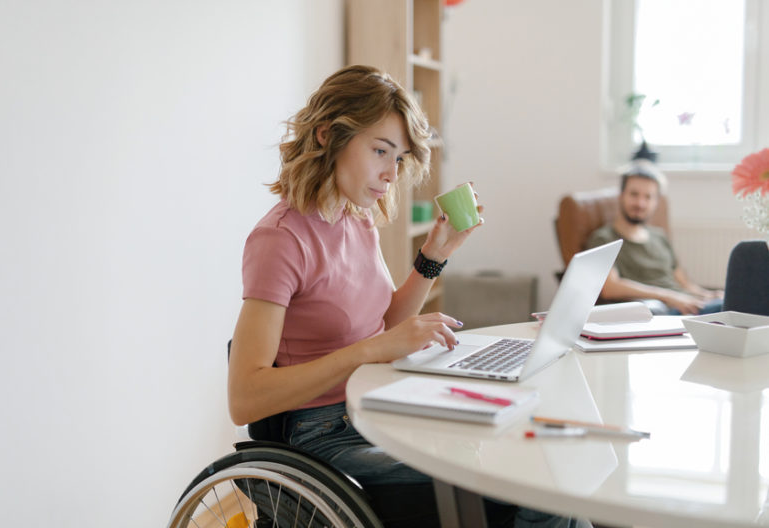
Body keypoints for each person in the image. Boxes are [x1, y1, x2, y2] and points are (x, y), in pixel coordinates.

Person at [227, 65, 584, 527]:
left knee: (538, 451)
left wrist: (434, 255)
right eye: (381, 151)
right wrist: (370, 351)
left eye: (398, 159)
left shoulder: (357, 219)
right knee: (532, 486)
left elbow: (385, 327)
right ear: (325, 136)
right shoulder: (279, 240)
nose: (391, 174)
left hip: (377, 402)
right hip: (325, 435)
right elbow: (245, 396)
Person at [585, 160, 723, 315]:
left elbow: (684, 283)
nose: (640, 203)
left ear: (656, 202)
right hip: (662, 311)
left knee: (734, 301)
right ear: (621, 196)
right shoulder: (604, 238)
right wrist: (669, 297)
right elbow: (609, 287)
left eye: (648, 197)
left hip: (688, 304)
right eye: (634, 194)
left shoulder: (659, 236)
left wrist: (708, 295)